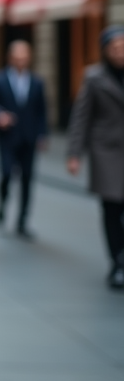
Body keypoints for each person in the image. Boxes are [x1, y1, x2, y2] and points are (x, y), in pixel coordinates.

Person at [66, 25, 124, 291]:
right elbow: (81, 117)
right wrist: (74, 153)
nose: (119, 51)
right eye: (114, 47)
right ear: (105, 50)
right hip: (107, 151)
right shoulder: (94, 77)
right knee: (112, 208)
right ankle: (117, 261)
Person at [0, 40, 48, 239]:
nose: (21, 60)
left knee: (27, 179)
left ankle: (22, 220)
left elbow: (42, 111)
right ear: (10, 58)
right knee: (6, 174)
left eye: (24, 56)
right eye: (17, 56)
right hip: (7, 138)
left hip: (28, 138)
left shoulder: (37, 82)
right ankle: (3, 202)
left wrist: (43, 134)